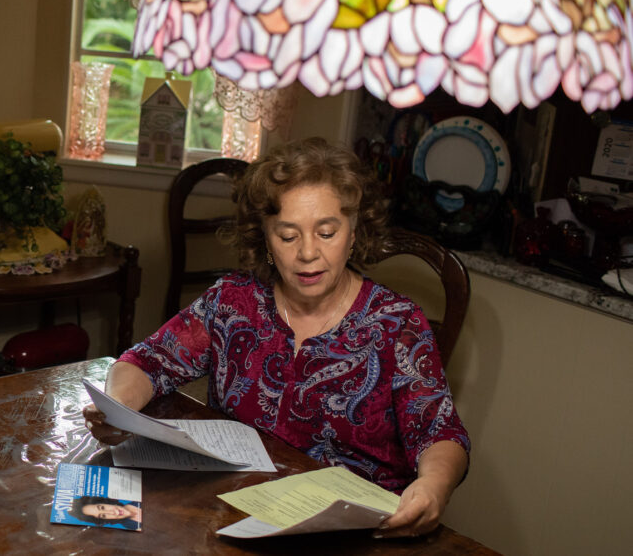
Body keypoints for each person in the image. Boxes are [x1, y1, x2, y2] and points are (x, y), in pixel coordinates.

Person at [83, 137, 470, 539]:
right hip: (234, 518)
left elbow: (440, 434)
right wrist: (118, 410)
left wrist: (433, 487)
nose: (307, 253)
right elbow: (146, 361)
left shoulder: (398, 323)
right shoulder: (232, 302)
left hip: (353, 535)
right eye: (288, 236)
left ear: (353, 233)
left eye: (327, 232)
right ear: (265, 239)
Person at [67, 495, 142, 530]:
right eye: (103, 515)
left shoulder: (139, 497)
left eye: (102, 507)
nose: (112, 512)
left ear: (107, 502)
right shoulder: (132, 527)